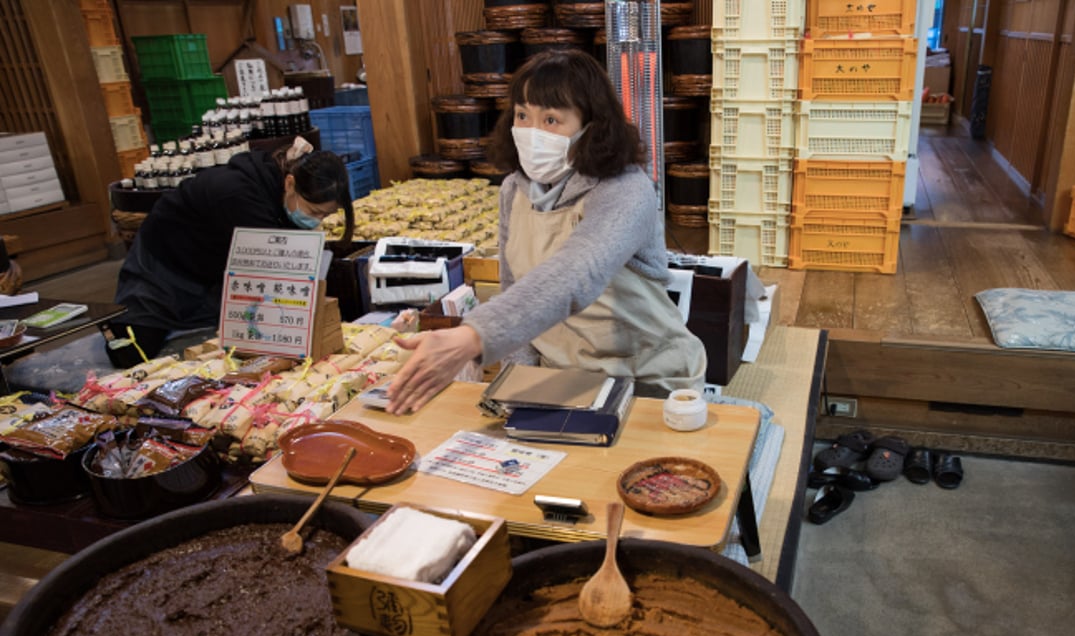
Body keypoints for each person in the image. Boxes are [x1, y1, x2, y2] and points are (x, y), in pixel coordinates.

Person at [386, 49, 706, 414]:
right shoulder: (513, 190)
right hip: (564, 381)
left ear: (592, 125)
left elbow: (577, 272)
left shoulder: (626, 190)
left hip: (645, 380)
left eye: (551, 119)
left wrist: (473, 335)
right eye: (522, 115)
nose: (532, 133)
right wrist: (513, 388)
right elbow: (516, 288)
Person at [106, 140, 355, 365]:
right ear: (289, 183)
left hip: (212, 265)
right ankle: (111, 327)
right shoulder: (239, 196)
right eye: (313, 211)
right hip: (165, 263)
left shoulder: (278, 191)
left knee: (218, 334)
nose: (317, 221)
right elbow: (273, 271)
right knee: (131, 351)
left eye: (325, 215)